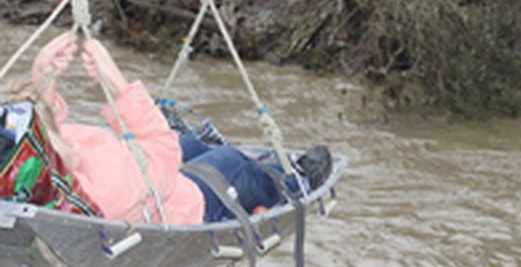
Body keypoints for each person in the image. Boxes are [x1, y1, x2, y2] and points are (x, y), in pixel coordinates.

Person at [26, 31, 329, 225]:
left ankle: (209, 153)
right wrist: (116, 82)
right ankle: (294, 181)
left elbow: (47, 124)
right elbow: (161, 151)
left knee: (189, 145)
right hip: (180, 206)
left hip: (139, 176)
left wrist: (43, 74)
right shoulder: (101, 191)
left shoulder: (39, 174)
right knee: (230, 163)